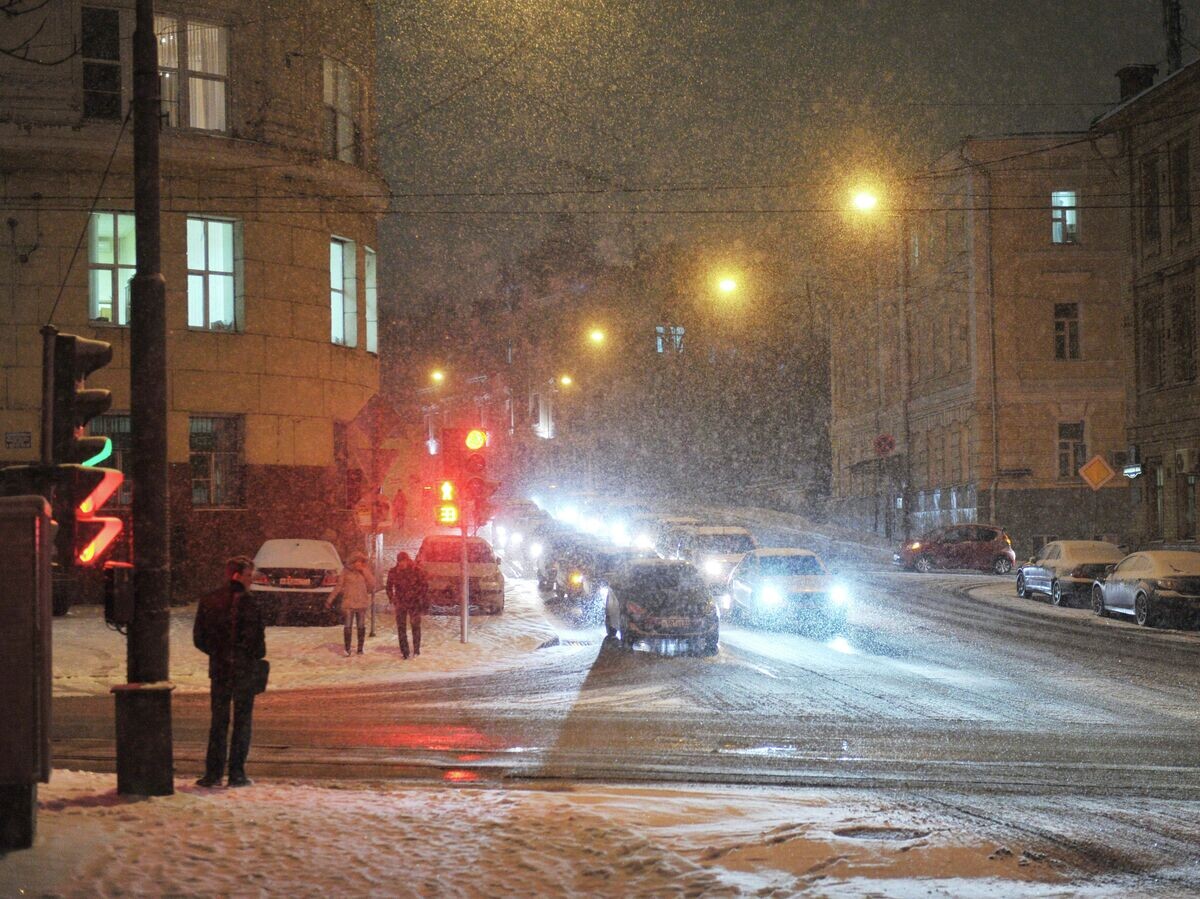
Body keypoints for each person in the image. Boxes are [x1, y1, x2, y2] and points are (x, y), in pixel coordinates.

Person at [193, 555, 267, 788]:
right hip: (244, 670)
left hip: (220, 670)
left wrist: (219, 653)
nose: (251, 581)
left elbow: (199, 638)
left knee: (219, 722)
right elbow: (259, 644)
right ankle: (237, 773)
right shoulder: (252, 603)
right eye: (248, 576)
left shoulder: (209, 600)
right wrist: (246, 655)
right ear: (238, 575)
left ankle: (213, 773)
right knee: (242, 722)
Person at [331, 551, 377, 656]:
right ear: (352, 562)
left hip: (361, 603)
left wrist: (364, 572)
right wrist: (331, 599)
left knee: (361, 626)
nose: (358, 564)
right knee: (348, 626)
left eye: (360, 562)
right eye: (356, 562)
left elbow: (373, 584)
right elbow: (339, 586)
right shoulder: (345, 572)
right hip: (349, 603)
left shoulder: (365, 571)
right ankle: (347, 649)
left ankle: (360, 649)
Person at [386, 551, 428, 659]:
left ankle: (416, 649)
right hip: (400, 602)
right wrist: (392, 598)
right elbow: (389, 587)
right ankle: (405, 651)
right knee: (401, 627)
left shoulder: (416, 570)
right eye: (400, 561)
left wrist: (419, 596)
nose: (402, 564)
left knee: (415, 626)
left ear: (407, 560)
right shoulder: (394, 572)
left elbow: (424, 585)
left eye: (403, 561)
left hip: (414, 602)